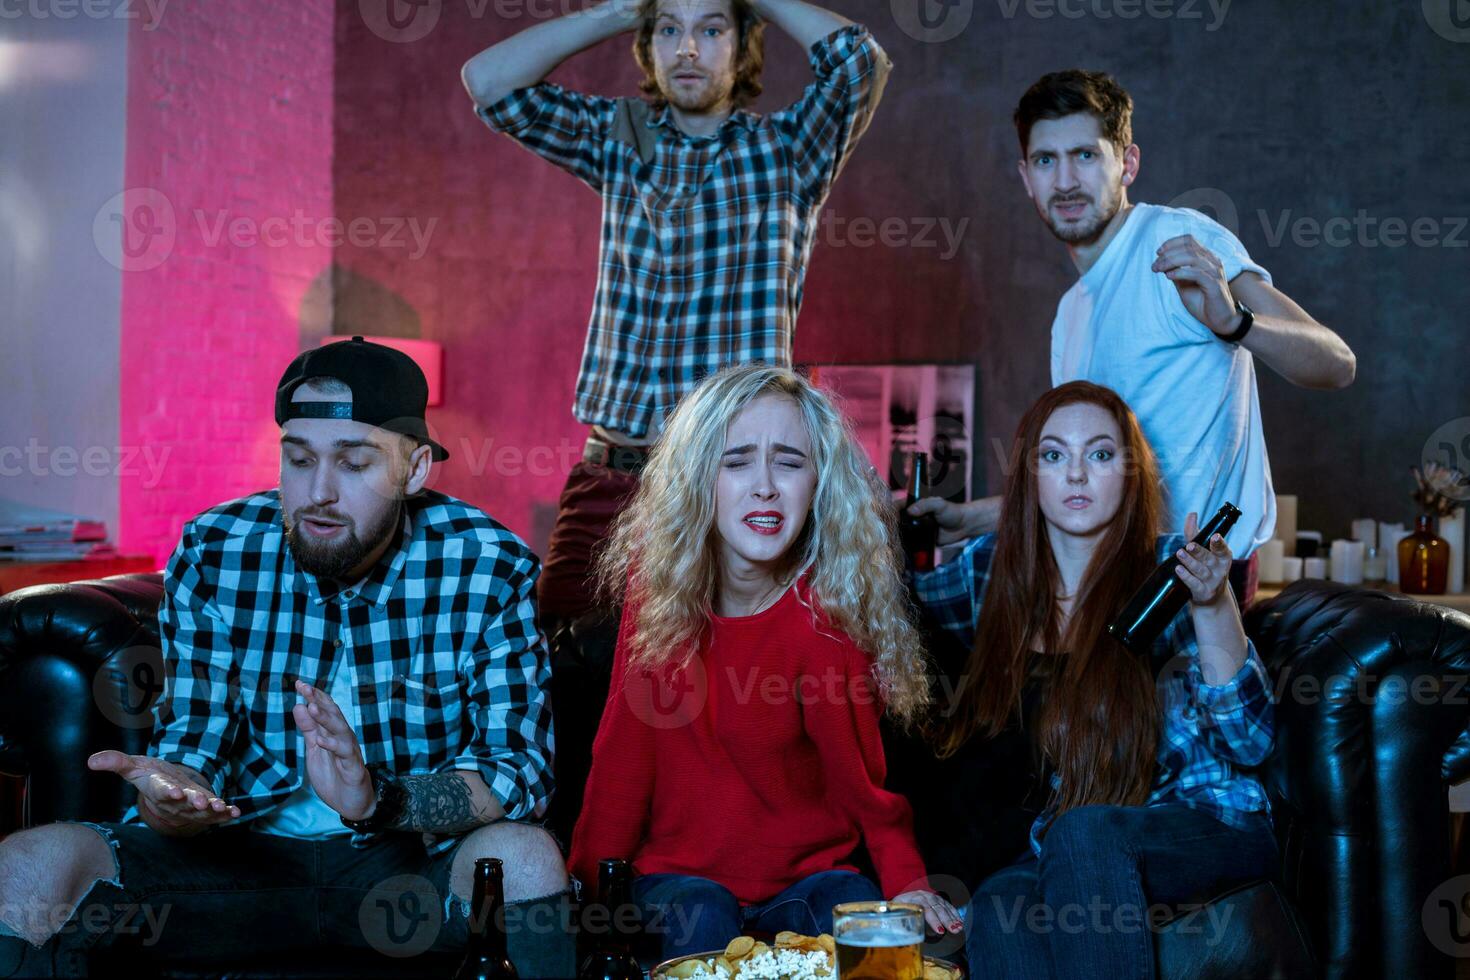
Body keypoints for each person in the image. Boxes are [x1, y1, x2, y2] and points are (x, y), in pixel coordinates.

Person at [0, 338, 573, 978]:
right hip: (240, 864)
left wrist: (377, 799)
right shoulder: (218, 548)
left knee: (525, 860)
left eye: (354, 464)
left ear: (413, 471)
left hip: (405, 868)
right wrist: (174, 797)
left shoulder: (488, 564)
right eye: (299, 460)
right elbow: (195, 739)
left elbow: (518, 772)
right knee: (30, 864)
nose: (319, 492)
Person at [462, 0, 892, 622]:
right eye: (669, 29)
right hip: (612, 474)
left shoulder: (789, 149)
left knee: (712, 691)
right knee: (563, 664)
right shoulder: (622, 135)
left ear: (742, 47)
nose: (687, 48)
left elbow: (858, 64)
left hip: (727, 483)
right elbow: (490, 83)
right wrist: (622, 10)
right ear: (648, 45)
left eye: (711, 29)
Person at [913, 70, 1356, 607]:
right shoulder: (1070, 313)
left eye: (1086, 155)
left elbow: (1335, 363)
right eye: (1047, 160)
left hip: (1201, 573)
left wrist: (1234, 322)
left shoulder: (1176, 242)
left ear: (1128, 163)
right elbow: (1092, 476)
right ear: (1026, 176)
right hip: (1112, 570)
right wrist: (976, 517)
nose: (1066, 181)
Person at [568, 365, 961, 959]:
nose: (765, 487)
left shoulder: (827, 620)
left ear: (818, 483)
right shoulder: (658, 592)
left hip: (802, 885)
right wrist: (583, 888)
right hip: (679, 884)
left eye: (789, 461)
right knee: (704, 915)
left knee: (855, 913)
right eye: (737, 461)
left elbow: (865, 789)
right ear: (700, 479)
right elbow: (623, 754)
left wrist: (908, 886)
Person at [913, 381, 1277, 978]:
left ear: (1130, 474)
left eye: (1101, 455)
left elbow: (1251, 742)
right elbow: (894, 611)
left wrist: (1213, 605)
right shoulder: (994, 571)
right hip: (1071, 843)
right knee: (1002, 898)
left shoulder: (1177, 569)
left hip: (1203, 821)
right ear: (1030, 477)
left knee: (1081, 833)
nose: (1077, 474)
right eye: (1054, 456)